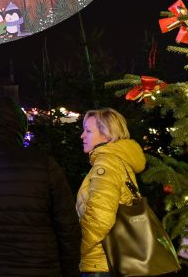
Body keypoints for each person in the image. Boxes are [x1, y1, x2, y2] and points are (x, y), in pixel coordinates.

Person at [0, 95, 81, 277]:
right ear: (20, 126)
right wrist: (69, 270)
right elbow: (67, 227)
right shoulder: (44, 165)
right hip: (42, 268)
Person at [77, 108, 146, 277]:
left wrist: (77, 248)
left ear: (107, 136)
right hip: (114, 260)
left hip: (101, 263)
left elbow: (100, 218)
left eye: (88, 130)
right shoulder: (118, 161)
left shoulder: (106, 164)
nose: (82, 136)